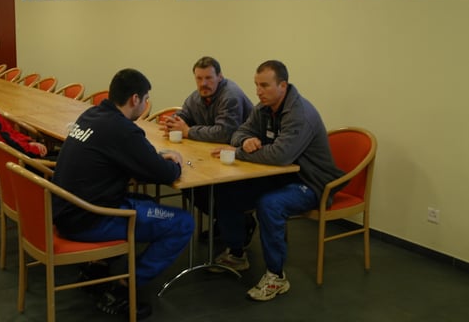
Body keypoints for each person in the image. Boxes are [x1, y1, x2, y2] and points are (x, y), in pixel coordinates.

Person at [51, 68, 194, 319]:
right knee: (182, 222)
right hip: (89, 219)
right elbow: (165, 174)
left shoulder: (92, 115)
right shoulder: (122, 129)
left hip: (65, 210)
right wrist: (176, 162)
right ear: (135, 99)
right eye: (146, 99)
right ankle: (123, 288)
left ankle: (96, 268)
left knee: (147, 202)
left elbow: (128, 156)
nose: (147, 104)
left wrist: (154, 159)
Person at [209, 60, 344, 302]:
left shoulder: (300, 114)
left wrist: (239, 152)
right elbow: (239, 132)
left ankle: (276, 276)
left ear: (283, 85)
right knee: (227, 188)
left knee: (270, 204)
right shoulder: (264, 107)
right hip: (281, 176)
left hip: (312, 183)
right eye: (256, 85)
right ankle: (237, 253)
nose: (258, 91)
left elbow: (280, 156)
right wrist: (245, 141)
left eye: (264, 86)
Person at [162, 56, 255, 242]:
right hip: (212, 156)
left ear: (220, 77)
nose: (203, 83)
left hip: (241, 160)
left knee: (218, 192)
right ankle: (225, 221)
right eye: (199, 78)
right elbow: (184, 114)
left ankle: (237, 226)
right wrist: (173, 122)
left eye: (208, 78)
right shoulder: (197, 96)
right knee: (187, 182)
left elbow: (225, 133)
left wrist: (188, 131)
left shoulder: (230, 96)